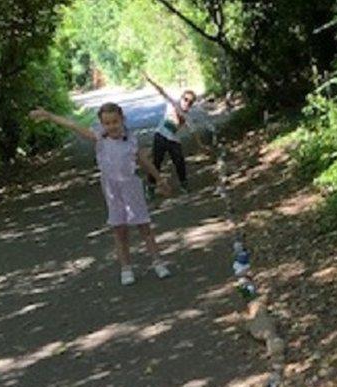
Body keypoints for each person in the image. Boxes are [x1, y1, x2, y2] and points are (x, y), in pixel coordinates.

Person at [29, 103, 172, 286]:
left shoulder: (130, 139)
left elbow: (143, 161)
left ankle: (158, 262)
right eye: (107, 123)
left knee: (144, 226)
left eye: (115, 121)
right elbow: (73, 126)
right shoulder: (100, 138)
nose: (111, 126)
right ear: (102, 124)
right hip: (112, 189)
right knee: (119, 230)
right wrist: (49, 115)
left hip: (131, 186)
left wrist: (159, 179)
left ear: (122, 120)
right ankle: (126, 268)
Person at [143, 72, 213, 196]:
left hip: (173, 140)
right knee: (156, 162)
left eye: (190, 102)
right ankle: (151, 186)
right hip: (160, 135)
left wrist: (201, 145)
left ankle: (184, 184)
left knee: (179, 161)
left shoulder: (187, 117)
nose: (187, 103)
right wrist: (149, 79)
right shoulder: (172, 104)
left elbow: (194, 132)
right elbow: (162, 91)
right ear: (181, 98)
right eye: (185, 99)